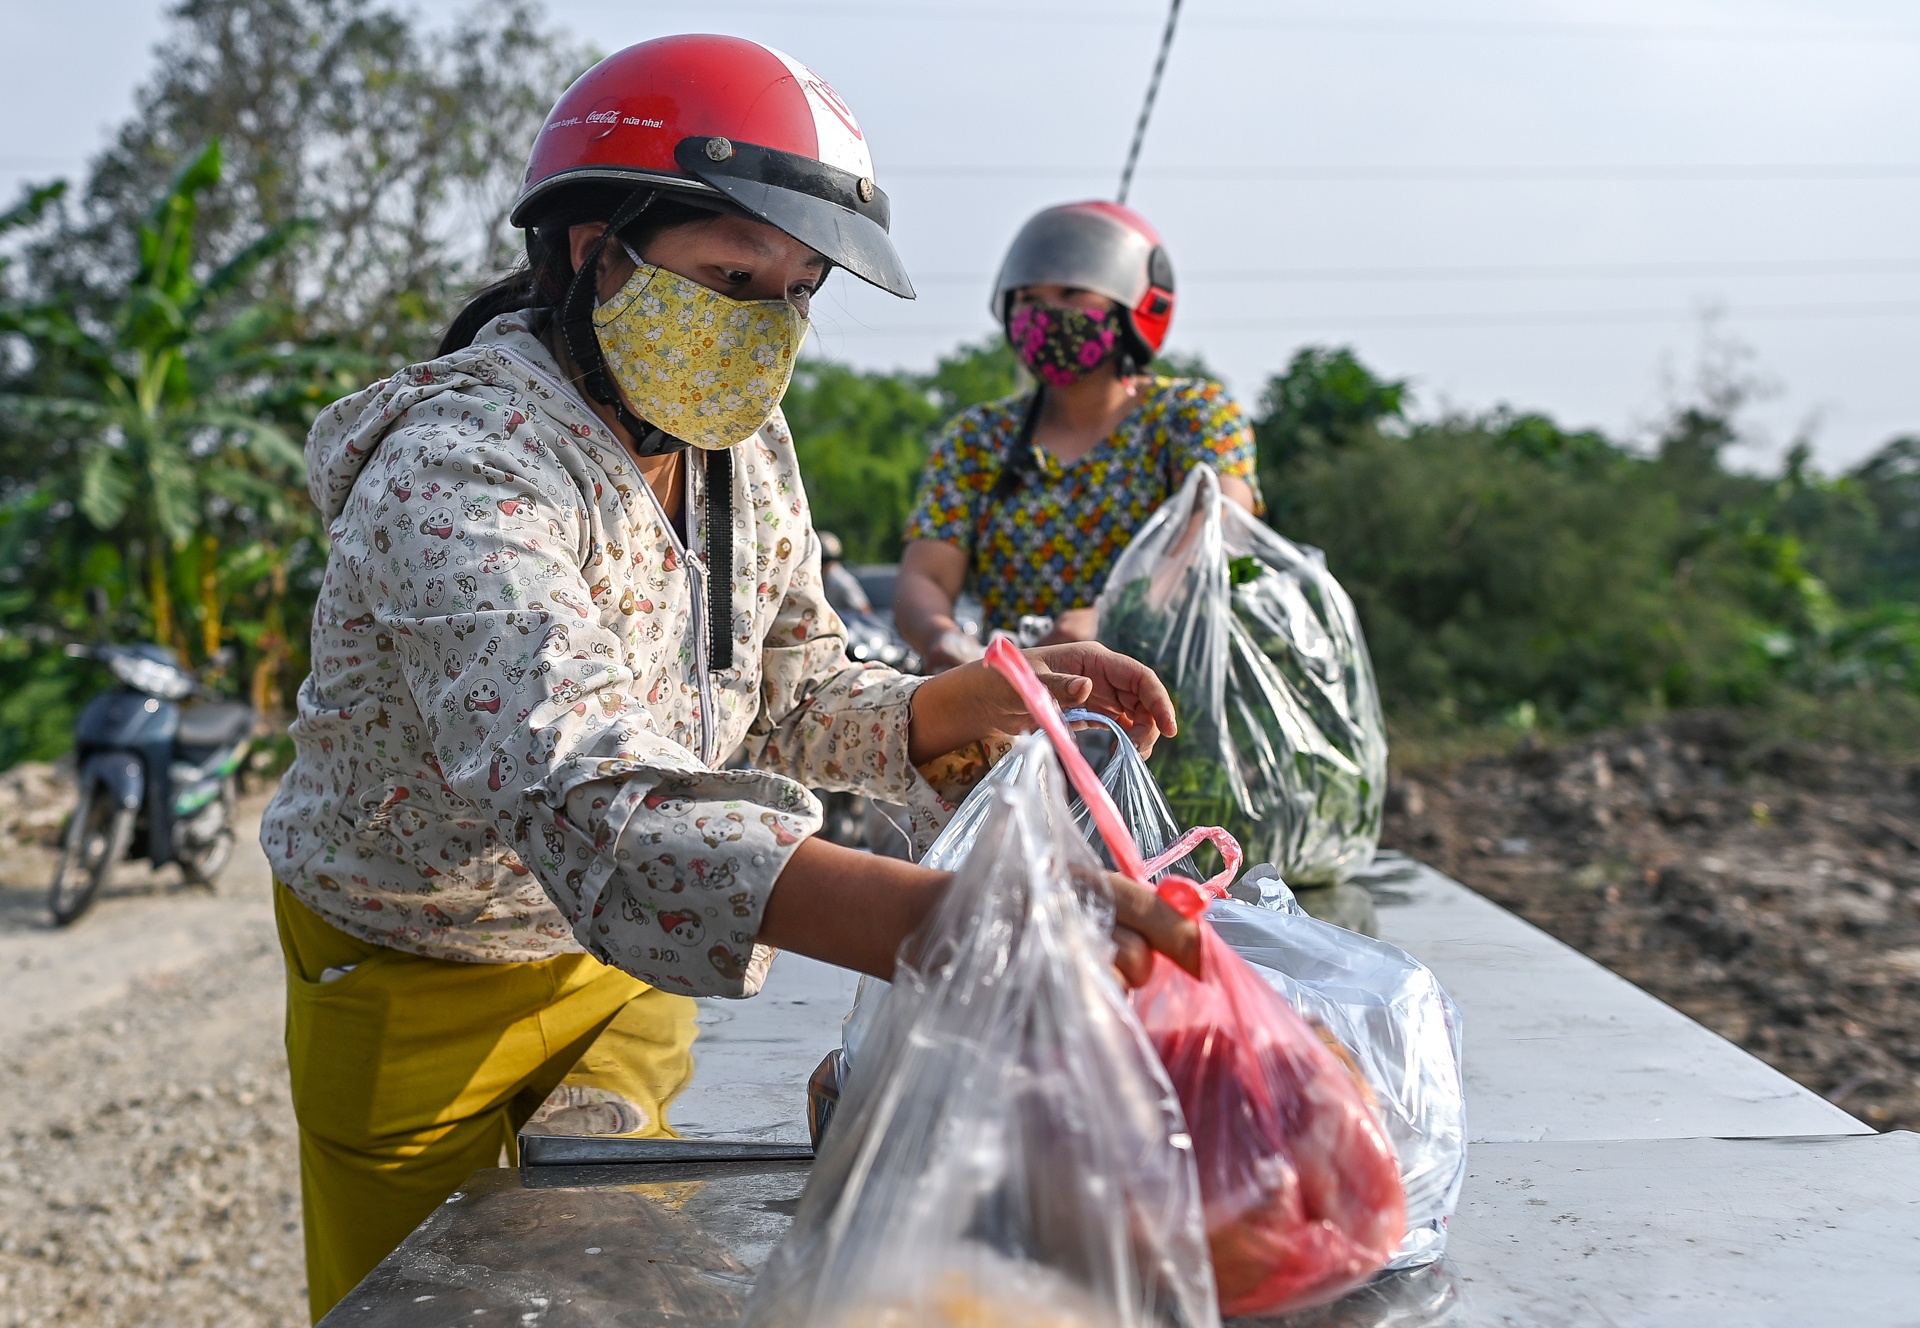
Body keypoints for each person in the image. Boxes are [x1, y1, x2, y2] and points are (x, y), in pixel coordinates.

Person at [259, 36, 1198, 1322]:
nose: (765, 324)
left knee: (597, 1263)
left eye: (798, 289)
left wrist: (954, 703)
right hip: (421, 966)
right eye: (731, 275)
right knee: (422, 1298)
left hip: (631, 962)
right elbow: (587, 792)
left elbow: (792, 681)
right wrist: (962, 923)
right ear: (593, 247)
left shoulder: (734, 441)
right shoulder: (459, 472)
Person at [895, 202, 1262, 670]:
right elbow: (925, 574)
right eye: (1027, 297)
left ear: (1136, 307)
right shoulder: (979, 438)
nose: (1046, 313)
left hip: (1175, 703)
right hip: (1023, 714)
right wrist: (941, 639)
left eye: (1071, 292)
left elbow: (1220, 533)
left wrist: (1113, 617)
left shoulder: (1194, 416)